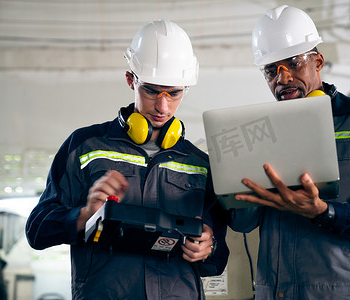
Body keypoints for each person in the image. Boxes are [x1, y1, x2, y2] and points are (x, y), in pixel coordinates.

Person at [26, 20, 229, 300]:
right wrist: (84, 216)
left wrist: (210, 247)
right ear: (131, 80)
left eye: (174, 93)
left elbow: (218, 261)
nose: (163, 106)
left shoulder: (200, 164)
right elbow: (37, 229)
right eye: (151, 90)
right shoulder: (84, 146)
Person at [228, 5, 350, 300]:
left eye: (293, 63)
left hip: (345, 293)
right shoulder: (259, 133)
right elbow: (243, 223)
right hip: (278, 292)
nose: (282, 79)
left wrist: (326, 212)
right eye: (271, 70)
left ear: (318, 61)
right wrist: (239, 186)